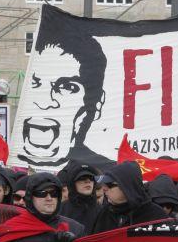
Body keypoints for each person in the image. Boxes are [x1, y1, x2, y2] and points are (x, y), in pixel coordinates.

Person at [9, 29, 113, 171]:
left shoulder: (104, 173)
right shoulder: (6, 167)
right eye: (35, 83)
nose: (44, 103)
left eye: (67, 87)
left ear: (97, 105)